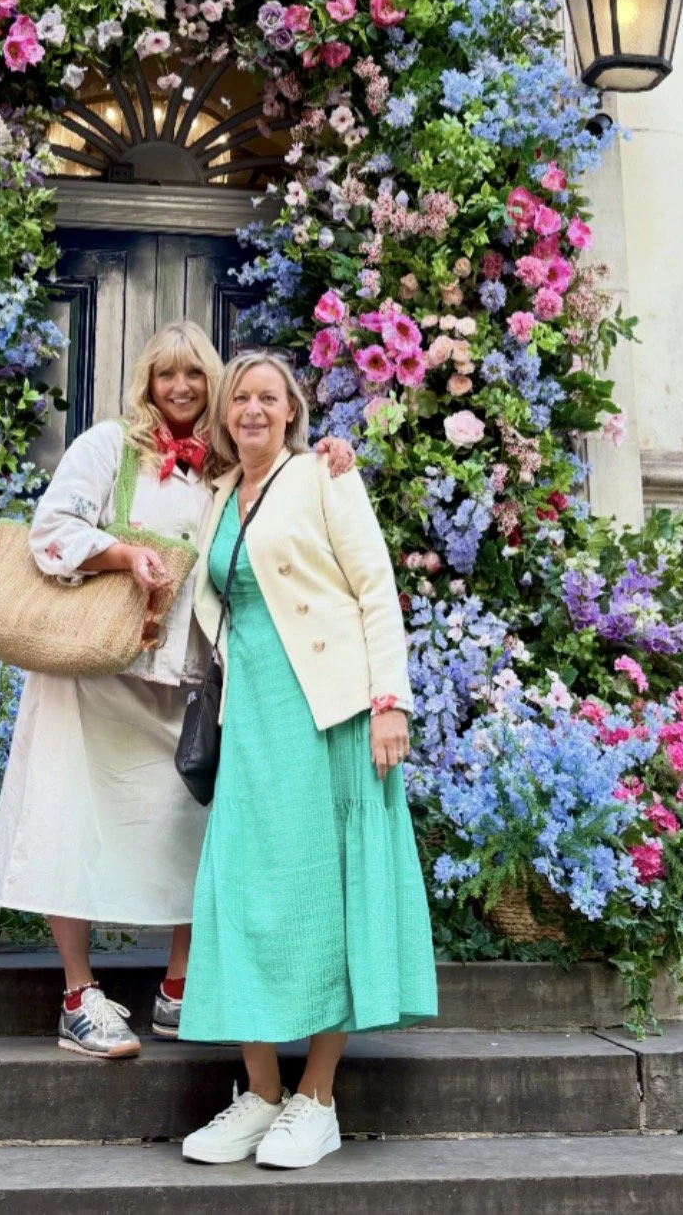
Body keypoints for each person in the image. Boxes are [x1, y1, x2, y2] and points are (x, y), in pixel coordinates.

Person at [0, 323, 355, 1060]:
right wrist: (123, 553)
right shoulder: (109, 447)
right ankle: (79, 994)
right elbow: (49, 530)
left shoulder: (221, 464)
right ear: (146, 382)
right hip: (90, 673)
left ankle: (180, 988)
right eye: (165, 375)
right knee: (71, 821)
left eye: (194, 376)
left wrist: (330, 457)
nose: (180, 388)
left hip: (179, 680)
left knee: (189, 828)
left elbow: (278, 490)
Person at [179, 350, 437, 1167]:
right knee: (243, 889)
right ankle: (259, 1093)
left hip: (329, 710)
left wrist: (389, 702)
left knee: (329, 891)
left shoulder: (326, 477)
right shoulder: (216, 496)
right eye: (239, 398)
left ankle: (316, 1096)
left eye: (268, 397)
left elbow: (375, 589)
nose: (252, 409)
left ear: (292, 409)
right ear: (225, 415)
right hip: (248, 716)